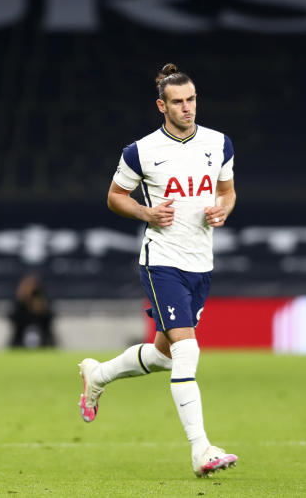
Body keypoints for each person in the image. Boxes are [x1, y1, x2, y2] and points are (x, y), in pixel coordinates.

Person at [78, 63, 238, 478]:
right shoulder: (141, 151)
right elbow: (115, 197)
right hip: (162, 260)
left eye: (192, 100)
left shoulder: (219, 143)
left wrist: (224, 210)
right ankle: (201, 449)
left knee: (166, 355)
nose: (187, 108)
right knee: (188, 349)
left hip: (201, 262)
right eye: (178, 102)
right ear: (161, 106)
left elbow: (227, 190)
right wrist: (146, 212)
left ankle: (97, 375)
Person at [7, 273, 56, 348]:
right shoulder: (19, 302)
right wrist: (22, 300)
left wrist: (41, 309)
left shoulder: (43, 299)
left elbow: (50, 319)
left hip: (43, 337)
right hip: (20, 337)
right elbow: (12, 318)